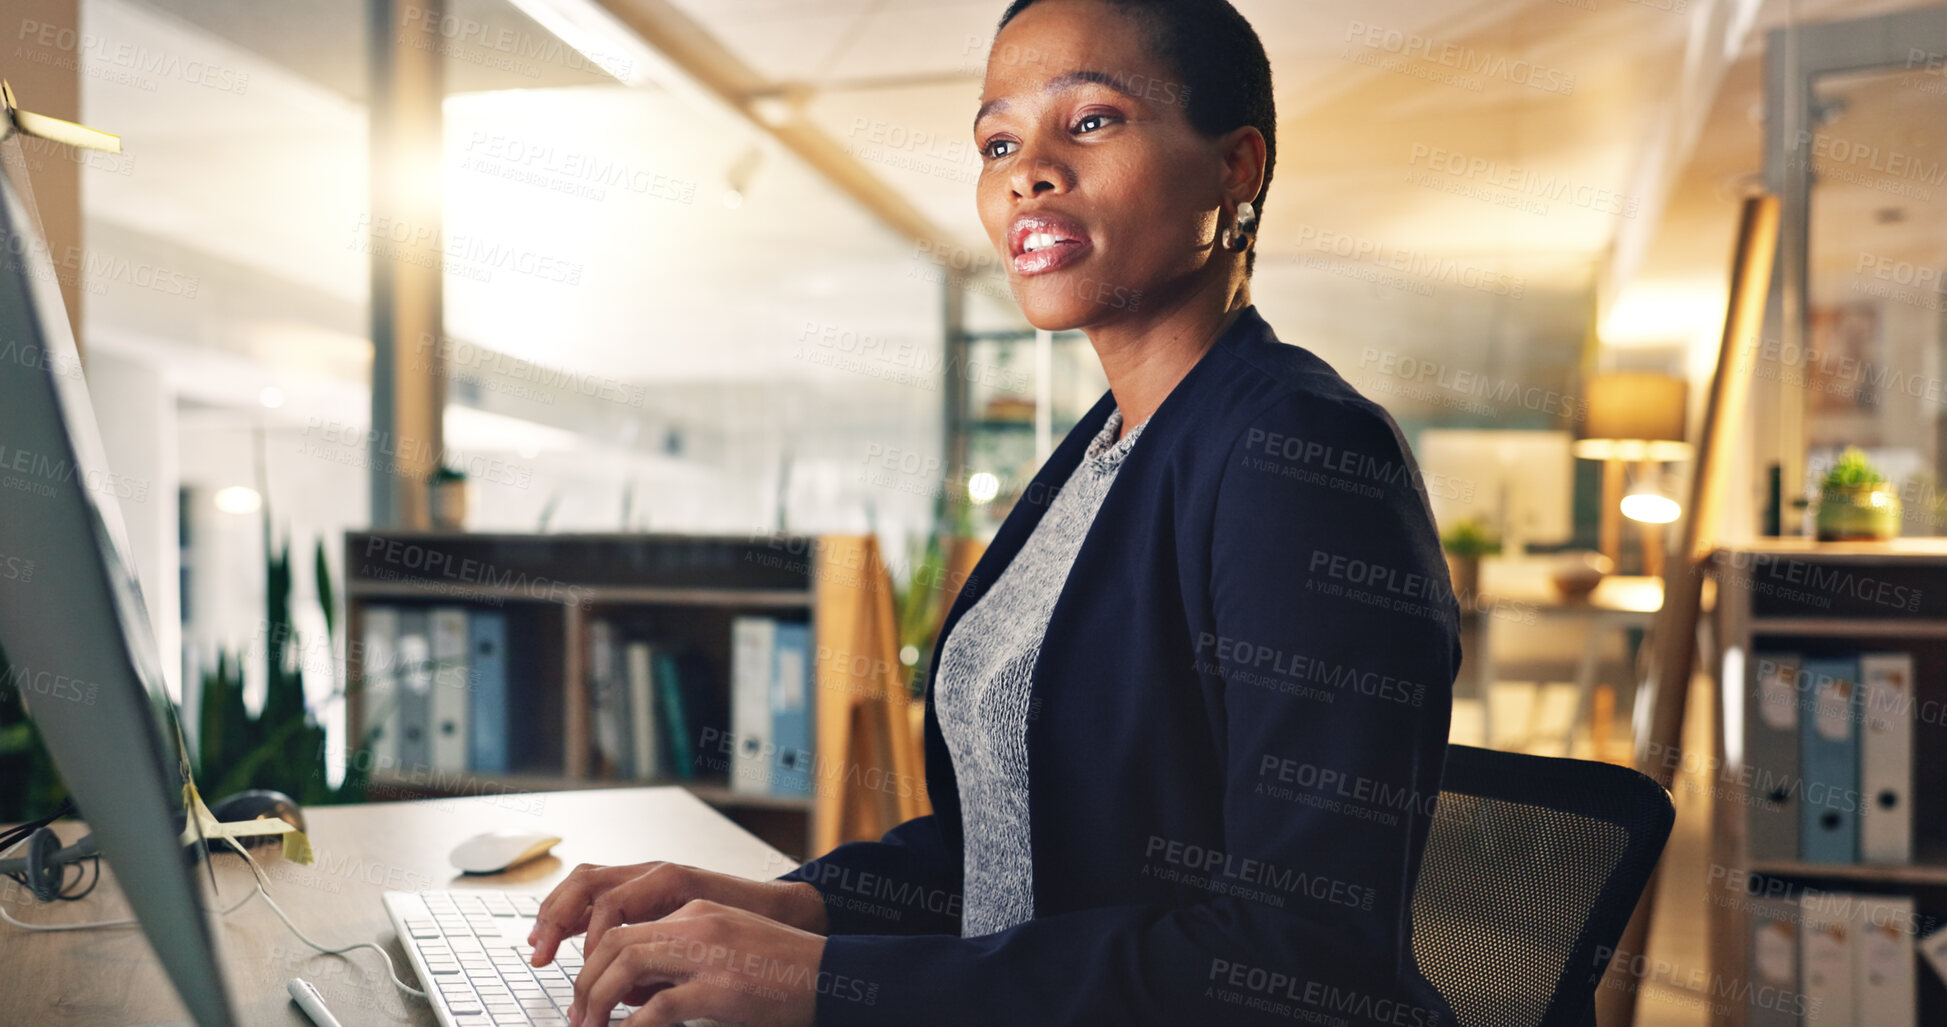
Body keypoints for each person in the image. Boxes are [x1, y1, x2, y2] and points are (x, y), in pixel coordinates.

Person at [529, 1, 1462, 1024]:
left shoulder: (1303, 458)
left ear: (1235, 169)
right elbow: (1008, 854)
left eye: (1093, 120)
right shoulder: (1103, 450)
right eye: (999, 142)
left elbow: (1306, 963)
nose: (1030, 171)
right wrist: (773, 905)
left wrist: (821, 983)